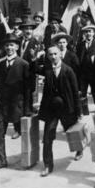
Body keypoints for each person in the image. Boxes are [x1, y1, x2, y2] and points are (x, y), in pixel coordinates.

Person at [0, 33, 31, 172]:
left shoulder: (23, 64)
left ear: (17, 46)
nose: (9, 48)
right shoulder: (0, 64)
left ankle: (30, 158)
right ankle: (1, 160)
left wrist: (27, 109)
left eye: (12, 45)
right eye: (6, 45)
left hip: (17, 105)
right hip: (2, 104)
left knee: (25, 132)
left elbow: (28, 89)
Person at [38, 45, 82, 176]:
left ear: (60, 55)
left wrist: (78, 111)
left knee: (74, 133)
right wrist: (36, 57)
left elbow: (75, 92)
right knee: (47, 138)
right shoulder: (47, 70)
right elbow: (33, 69)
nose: (53, 57)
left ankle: (79, 149)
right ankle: (48, 165)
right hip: (52, 109)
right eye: (50, 54)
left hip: (67, 109)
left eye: (55, 54)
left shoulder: (68, 71)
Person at [76, 24, 95, 109]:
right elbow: (78, 58)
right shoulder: (80, 45)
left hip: (94, 73)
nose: (88, 33)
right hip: (83, 73)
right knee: (82, 94)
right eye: (86, 32)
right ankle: (84, 113)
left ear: (93, 33)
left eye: (90, 31)